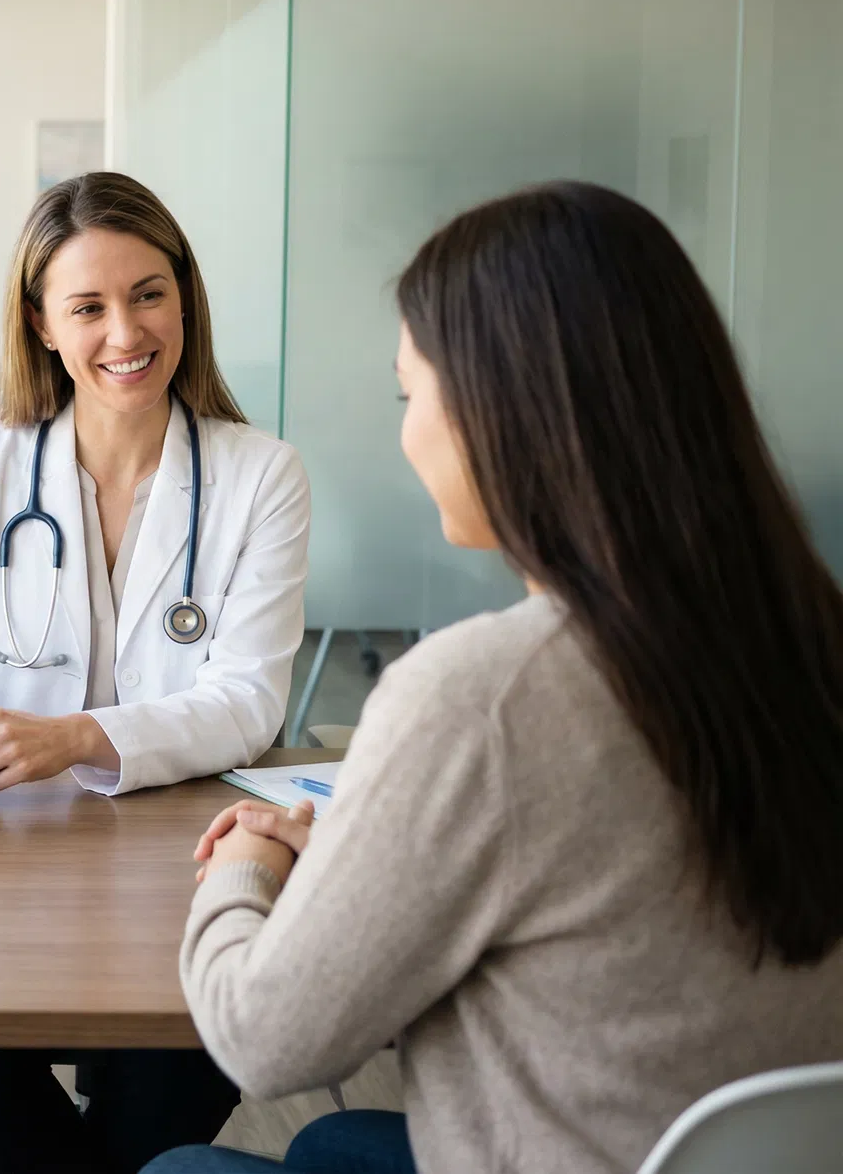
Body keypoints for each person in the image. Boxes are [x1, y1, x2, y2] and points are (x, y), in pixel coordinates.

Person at [149, 181, 843, 1174]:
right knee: (340, 1144)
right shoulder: (810, 633)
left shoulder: (485, 696)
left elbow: (264, 1041)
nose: (404, 434)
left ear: (499, 406)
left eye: (408, 393)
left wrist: (242, 871)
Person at [0, 171, 312, 1174]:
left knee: (197, 1032)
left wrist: (80, 736)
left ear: (184, 300)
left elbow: (249, 700)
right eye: (88, 306)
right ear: (41, 324)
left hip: (184, 856)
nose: (126, 331)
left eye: (149, 293)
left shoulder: (261, 475)